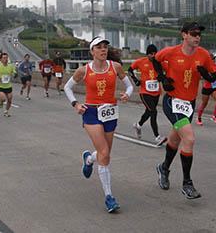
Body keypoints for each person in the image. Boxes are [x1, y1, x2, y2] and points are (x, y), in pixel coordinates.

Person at [64, 36, 134, 213]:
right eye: (99, 47)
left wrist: (127, 94)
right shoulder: (84, 70)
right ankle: (109, 197)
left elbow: (129, 85)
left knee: (105, 154)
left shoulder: (115, 67)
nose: (103, 50)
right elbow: (67, 87)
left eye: (105, 47)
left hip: (110, 112)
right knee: (104, 154)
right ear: (92, 51)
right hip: (92, 113)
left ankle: (88, 159)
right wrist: (76, 104)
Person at [152, 22, 216, 199]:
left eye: (199, 34)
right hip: (172, 102)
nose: (197, 37)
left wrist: (206, 74)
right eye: (194, 33)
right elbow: (154, 60)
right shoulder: (171, 52)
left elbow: (213, 76)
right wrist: (162, 78)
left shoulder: (204, 55)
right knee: (189, 138)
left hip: (188, 105)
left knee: (174, 140)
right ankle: (187, 183)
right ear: (184, 35)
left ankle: (163, 168)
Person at [128, 44, 167, 146]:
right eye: (151, 54)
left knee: (149, 111)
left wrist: (161, 77)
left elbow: (167, 72)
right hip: (144, 92)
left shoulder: (159, 63)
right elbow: (130, 70)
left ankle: (138, 125)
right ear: (147, 54)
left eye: (155, 53)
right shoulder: (141, 61)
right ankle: (157, 137)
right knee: (153, 112)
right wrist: (135, 80)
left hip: (156, 92)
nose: (153, 56)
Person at [195, 53, 216, 126]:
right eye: (214, 59)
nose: (215, 60)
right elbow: (204, 77)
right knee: (204, 104)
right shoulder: (206, 67)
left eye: (215, 59)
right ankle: (199, 118)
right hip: (207, 88)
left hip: (214, 88)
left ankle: (214, 116)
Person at [0, 52, 16, 117]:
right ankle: (1, 102)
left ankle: (6, 111)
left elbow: (14, 72)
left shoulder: (11, 66)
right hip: (0, 86)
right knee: (3, 99)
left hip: (8, 85)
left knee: (9, 100)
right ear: (1, 59)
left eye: (6, 58)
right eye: (4, 58)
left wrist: (15, 74)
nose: (5, 59)